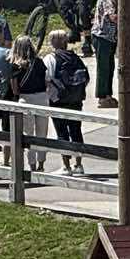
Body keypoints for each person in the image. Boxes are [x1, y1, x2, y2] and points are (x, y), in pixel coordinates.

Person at [44, 27, 89, 174]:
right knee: (76, 130)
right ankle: (79, 164)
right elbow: (85, 78)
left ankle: (66, 166)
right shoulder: (75, 57)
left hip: (59, 100)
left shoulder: (50, 58)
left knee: (62, 132)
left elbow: (47, 79)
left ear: (52, 42)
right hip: (76, 100)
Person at [11, 35, 49, 173]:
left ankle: (32, 166)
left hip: (25, 99)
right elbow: (46, 83)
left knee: (28, 134)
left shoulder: (15, 65)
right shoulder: (39, 62)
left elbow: (15, 89)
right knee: (42, 133)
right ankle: (41, 165)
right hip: (41, 98)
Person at [91, 0, 120, 108]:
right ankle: (102, 97)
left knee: (110, 66)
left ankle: (108, 95)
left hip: (111, 37)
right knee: (103, 67)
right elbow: (113, 17)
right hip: (102, 36)